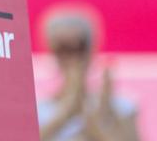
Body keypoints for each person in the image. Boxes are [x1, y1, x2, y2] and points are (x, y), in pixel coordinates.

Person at [38, 9, 140, 141]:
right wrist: (65, 113)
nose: (71, 57)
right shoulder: (37, 110)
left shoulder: (120, 105)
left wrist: (105, 117)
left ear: (90, 48)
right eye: (63, 48)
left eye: (79, 47)